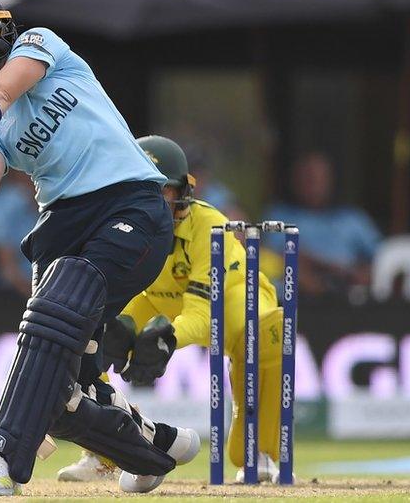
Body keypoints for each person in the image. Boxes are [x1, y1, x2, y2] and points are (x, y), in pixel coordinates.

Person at [0, 0, 196, 496]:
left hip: (129, 205)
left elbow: (3, 92)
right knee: (58, 392)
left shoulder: (39, 45)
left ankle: (1, 458)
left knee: (60, 301)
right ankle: (154, 448)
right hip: (62, 224)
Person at [56, 136, 286, 485]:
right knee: (86, 333)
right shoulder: (117, 224)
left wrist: (167, 338)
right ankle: (104, 453)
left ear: (182, 192)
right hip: (157, 299)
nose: (153, 202)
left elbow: (201, 313)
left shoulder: (211, 228)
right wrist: (111, 328)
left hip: (230, 302)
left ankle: (259, 454)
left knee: (265, 330)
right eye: (143, 189)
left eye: (161, 191)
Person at [264, 151, 381, 298]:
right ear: (294, 181)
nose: (314, 185)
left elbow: (384, 258)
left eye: (319, 179)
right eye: (308, 178)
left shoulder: (352, 219)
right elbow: (276, 257)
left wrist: (362, 273)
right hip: (300, 297)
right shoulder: (279, 216)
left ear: (330, 181)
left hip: (350, 295)